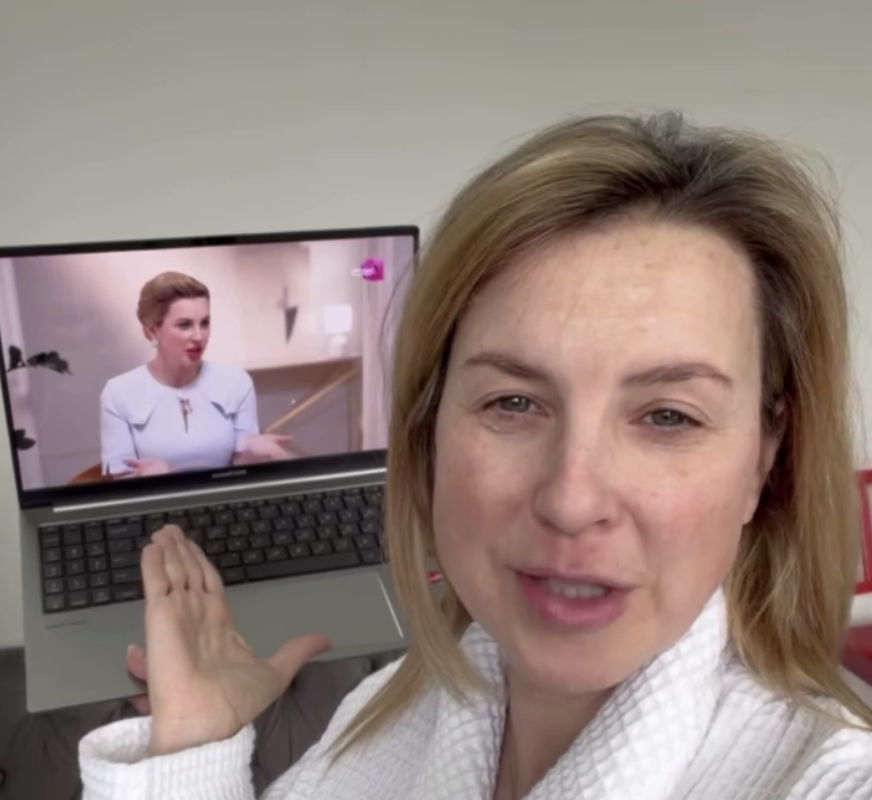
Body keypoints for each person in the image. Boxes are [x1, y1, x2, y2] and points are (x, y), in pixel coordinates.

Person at [79, 112, 872, 799]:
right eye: (513, 403)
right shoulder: (390, 703)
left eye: (669, 415)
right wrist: (194, 753)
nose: (571, 500)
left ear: (766, 456)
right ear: (428, 427)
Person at [99, 271, 293, 477]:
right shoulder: (118, 393)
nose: (199, 336)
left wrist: (252, 455)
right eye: (184, 325)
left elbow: (239, 474)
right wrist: (147, 480)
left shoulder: (236, 382)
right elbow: (119, 480)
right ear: (152, 331)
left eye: (205, 323)